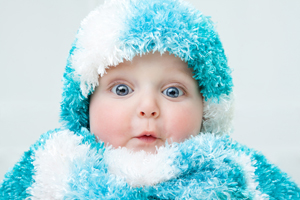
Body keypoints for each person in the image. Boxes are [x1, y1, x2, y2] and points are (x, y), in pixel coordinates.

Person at [1, 0, 299, 199]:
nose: (147, 108)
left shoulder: (233, 169)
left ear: (207, 109)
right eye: (121, 90)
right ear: (84, 102)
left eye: (172, 92)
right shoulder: (56, 163)